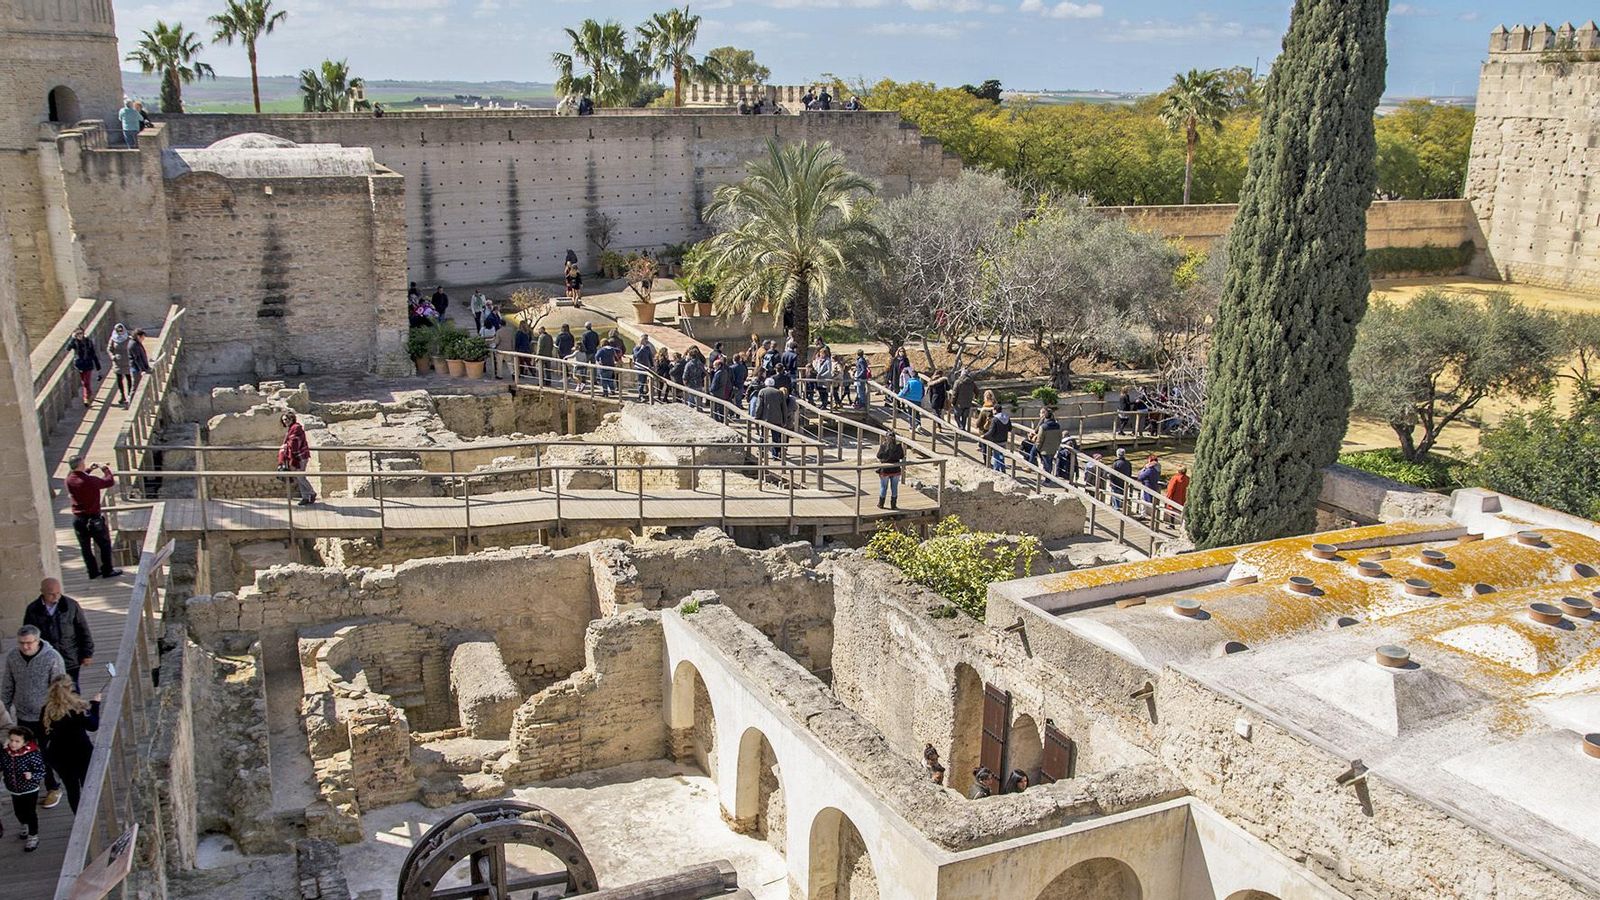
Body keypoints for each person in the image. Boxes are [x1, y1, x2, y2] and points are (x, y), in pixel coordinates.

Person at [2, 625, 66, 813]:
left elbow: (60, 689)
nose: (26, 647)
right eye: (22, 643)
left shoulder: (52, 657)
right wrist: (3, 709)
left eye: (29, 643)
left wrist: (56, 714)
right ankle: (32, 785)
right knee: (26, 752)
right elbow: (7, 685)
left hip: (46, 716)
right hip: (23, 715)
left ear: (37, 641)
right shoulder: (13, 657)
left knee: (43, 753)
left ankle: (53, 787)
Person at [40, 676, 99, 813]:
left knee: (72, 789)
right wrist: (95, 705)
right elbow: (93, 725)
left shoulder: (47, 710)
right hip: (82, 752)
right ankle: (90, 816)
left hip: (60, 756)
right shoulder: (78, 707)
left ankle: (78, 816)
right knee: (87, 785)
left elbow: (43, 733)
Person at [24, 579, 93, 691]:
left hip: (70, 657)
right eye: (51, 594)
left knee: (72, 690)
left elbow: (83, 630)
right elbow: (28, 635)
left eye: (58, 593)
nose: (55, 596)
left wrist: (87, 654)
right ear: (42, 592)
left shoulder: (71, 606)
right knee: (51, 691)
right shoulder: (33, 610)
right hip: (45, 658)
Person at [65, 455, 119, 579]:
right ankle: (107, 570)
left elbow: (80, 477)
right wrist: (105, 469)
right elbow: (109, 481)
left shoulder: (69, 480)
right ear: (80, 465)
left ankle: (92, 572)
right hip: (94, 518)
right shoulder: (91, 481)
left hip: (78, 519)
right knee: (104, 544)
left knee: (85, 547)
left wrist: (89, 470)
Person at [2, 725, 48, 851]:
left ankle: (33, 836)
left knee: (30, 812)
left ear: (25, 742)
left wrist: (32, 775)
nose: (13, 744)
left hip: (29, 788)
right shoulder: (6, 753)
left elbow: (42, 771)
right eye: (11, 740)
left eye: (17, 741)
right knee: (18, 811)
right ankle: (24, 825)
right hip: (13, 788)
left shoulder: (32, 754)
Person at [278, 411, 315, 505]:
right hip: (296, 456)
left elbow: (294, 443)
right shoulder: (291, 428)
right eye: (283, 420)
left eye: (286, 419)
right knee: (299, 477)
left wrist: (286, 447)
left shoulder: (296, 428)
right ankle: (305, 497)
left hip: (301, 456)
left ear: (292, 419)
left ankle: (311, 493)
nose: (285, 422)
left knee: (300, 476)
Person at [66, 326, 101, 408]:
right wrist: (72, 339)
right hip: (80, 365)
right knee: (83, 382)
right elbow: (67, 348)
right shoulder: (75, 342)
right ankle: (90, 394)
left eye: (81, 333)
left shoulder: (88, 342)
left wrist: (98, 366)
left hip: (88, 364)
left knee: (86, 382)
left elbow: (93, 354)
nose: (80, 335)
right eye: (78, 334)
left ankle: (86, 398)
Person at [754, 378, 788, 458]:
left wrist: (757, 416)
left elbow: (759, 406)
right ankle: (775, 455)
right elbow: (784, 407)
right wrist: (784, 420)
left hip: (765, 418)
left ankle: (762, 452)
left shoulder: (762, 391)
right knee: (775, 438)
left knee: (763, 436)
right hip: (777, 418)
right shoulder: (779, 392)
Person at [875, 431, 906, 509]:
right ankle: (893, 505)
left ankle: (881, 504)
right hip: (896, 469)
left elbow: (878, 456)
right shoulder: (898, 446)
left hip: (885, 470)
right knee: (894, 487)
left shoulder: (883, 446)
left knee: (883, 487)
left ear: (886, 437)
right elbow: (902, 456)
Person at [106, 322, 133, 408]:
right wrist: (112, 356)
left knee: (129, 378)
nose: (120, 332)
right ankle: (122, 395)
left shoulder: (128, 338)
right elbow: (109, 349)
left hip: (127, 361)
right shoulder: (113, 339)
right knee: (119, 379)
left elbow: (132, 348)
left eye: (121, 330)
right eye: (118, 331)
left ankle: (130, 395)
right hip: (117, 362)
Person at [1027, 409, 1063, 474]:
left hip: (1044, 447)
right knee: (1049, 463)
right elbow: (1060, 437)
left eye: (1041, 413)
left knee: (1045, 463)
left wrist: (1038, 447)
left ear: (1045, 415)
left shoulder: (1044, 426)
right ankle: (1048, 479)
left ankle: (1046, 480)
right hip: (1053, 447)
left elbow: (1040, 438)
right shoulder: (1057, 425)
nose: (1039, 414)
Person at [982, 406, 1011, 472]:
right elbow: (1010, 428)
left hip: (996, 440)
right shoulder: (1006, 417)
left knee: (996, 456)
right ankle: (1003, 469)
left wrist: (984, 436)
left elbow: (991, 431)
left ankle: (996, 470)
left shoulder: (995, 419)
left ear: (995, 410)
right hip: (1004, 439)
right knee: (1001, 455)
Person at [128, 329, 151, 394]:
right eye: (143, 337)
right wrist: (142, 370)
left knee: (137, 386)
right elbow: (137, 358)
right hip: (136, 369)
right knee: (135, 387)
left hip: (137, 368)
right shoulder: (133, 345)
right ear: (138, 336)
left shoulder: (136, 343)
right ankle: (131, 402)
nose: (143, 339)